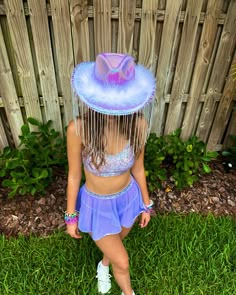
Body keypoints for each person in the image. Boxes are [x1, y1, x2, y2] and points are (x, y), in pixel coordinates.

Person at [65, 53, 156, 295]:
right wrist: (70, 215)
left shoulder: (138, 126)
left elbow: (138, 167)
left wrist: (146, 203)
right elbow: (74, 176)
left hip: (128, 199)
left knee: (116, 246)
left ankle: (104, 263)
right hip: (98, 205)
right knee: (123, 261)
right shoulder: (79, 129)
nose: (112, 107)